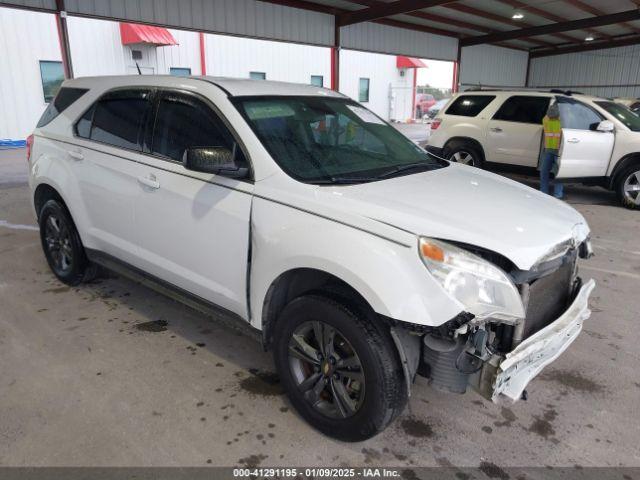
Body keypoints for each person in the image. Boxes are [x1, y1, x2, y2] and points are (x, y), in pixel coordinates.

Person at [539, 102, 564, 199]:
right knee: (558, 173)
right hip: (559, 151)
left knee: (544, 172)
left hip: (548, 149)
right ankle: (558, 195)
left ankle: (543, 191)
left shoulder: (545, 119)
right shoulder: (563, 121)